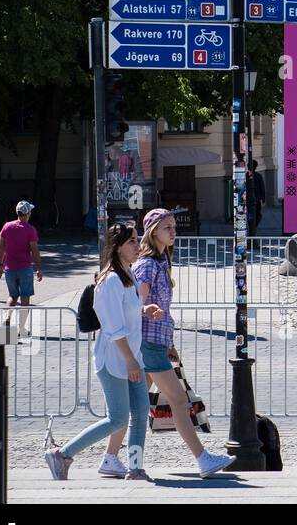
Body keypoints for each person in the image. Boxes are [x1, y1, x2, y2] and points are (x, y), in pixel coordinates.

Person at [132, 209, 234, 477]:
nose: (173, 231)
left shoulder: (161, 262)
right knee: (178, 400)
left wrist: (169, 342)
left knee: (132, 407)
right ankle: (203, 459)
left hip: (156, 342)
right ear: (153, 231)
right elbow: (135, 303)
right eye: (167, 227)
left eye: (174, 226)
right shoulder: (147, 265)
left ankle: (99, 456)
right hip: (148, 343)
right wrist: (145, 311)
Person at [45, 223, 150, 481]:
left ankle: (135, 468)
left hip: (131, 357)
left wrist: (145, 311)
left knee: (140, 412)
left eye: (137, 240)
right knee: (117, 419)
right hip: (116, 360)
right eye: (132, 242)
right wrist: (130, 361)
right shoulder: (111, 280)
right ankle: (63, 453)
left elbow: (126, 314)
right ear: (117, 247)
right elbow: (114, 327)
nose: (138, 246)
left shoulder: (129, 275)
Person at [0, 201, 42, 339]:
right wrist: (39, 267)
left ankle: (7, 318)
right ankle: (21, 328)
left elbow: (0, 246)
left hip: (9, 268)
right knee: (25, 298)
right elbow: (34, 249)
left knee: (12, 296)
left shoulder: (7, 227)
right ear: (28, 213)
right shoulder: (30, 229)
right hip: (25, 268)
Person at [245, 159, 267, 236]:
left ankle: (252, 228)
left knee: (250, 215)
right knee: (257, 215)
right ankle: (253, 228)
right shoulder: (258, 176)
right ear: (256, 167)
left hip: (248, 200)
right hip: (256, 200)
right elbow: (262, 188)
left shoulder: (245, 176)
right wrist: (263, 199)